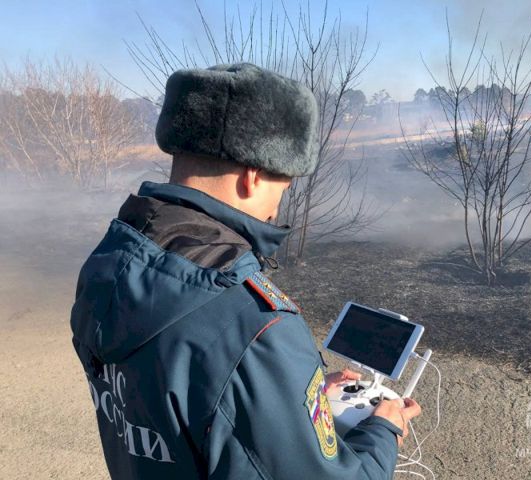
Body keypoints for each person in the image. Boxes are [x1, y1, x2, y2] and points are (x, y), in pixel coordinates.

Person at [70, 63, 421, 480]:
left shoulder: (108, 267)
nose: (276, 208)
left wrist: (286, 397)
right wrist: (383, 429)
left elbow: (179, 398)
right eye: (283, 187)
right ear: (253, 176)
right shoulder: (256, 326)